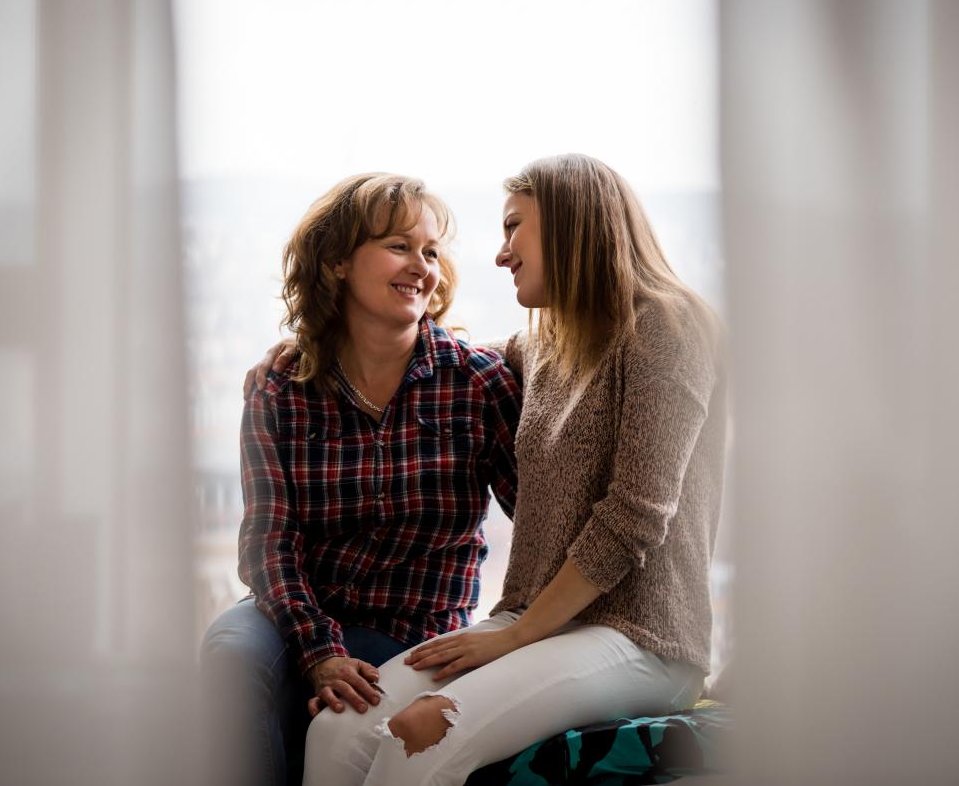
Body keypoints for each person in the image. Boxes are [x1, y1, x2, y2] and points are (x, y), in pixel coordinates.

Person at [253, 154, 727, 786]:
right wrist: (313, 345)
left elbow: (635, 515)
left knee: (422, 733)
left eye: (513, 229)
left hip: (641, 638)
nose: (502, 254)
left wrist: (516, 634)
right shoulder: (542, 346)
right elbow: (435, 359)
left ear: (567, 226)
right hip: (538, 624)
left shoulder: (667, 326)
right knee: (338, 728)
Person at [200, 173, 521, 786]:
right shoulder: (281, 386)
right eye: (399, 246)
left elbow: (538, 521)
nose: (421, 267)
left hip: (412, 634)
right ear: (338, 262)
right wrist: (318, 650)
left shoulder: (477, 384)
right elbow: (268, 542)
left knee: (330, 712)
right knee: (229, 650)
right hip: (296, 616)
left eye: (430, 252)